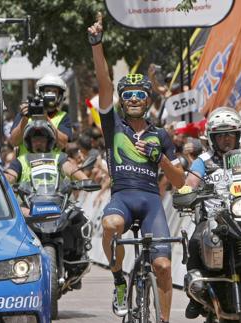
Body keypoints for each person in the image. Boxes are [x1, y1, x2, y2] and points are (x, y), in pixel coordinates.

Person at [88, 15, 185, 322]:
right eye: (126, 96)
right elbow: (104, 82)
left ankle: (165, 320)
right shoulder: (112, 125)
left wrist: (161, 159)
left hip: (151, 202)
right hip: (123, 197)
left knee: (164, 267)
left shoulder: (161, 135)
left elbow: (180, 180)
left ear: (147, 100)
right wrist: (97, 44)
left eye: (138, 95)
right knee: (111, 225)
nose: (131, 99)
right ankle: (118, 279)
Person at [183, 107, 241, 318]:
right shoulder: (203, 161)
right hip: (214, 217)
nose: (226, 139)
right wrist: (188, 192)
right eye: (221, 135)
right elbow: (190, 183)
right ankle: (195, 297)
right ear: (212, 138)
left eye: (230, 134)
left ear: (239, 135)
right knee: (194, 241)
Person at [4, 120, 86, 187]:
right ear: (29, 142)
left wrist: (85, 180)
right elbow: (11, 174)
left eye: (42, 140)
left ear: (49, 141)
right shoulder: (20, 161)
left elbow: (70, 169)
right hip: (28, 204)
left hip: (58, 202)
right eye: (35, 140)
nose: (38, 143)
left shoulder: (58, 158)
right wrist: (6, 178)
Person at [9, 74, 73, 155]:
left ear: (60, 95)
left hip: (52, 166)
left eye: (54, 92)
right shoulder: (25, 114)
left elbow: (63, 144)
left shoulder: (63, 117)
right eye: (48, 91)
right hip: (27, 166)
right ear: (40, 92)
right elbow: (14, 142)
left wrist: (46, 118)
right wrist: (25, 118)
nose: (51, 94)